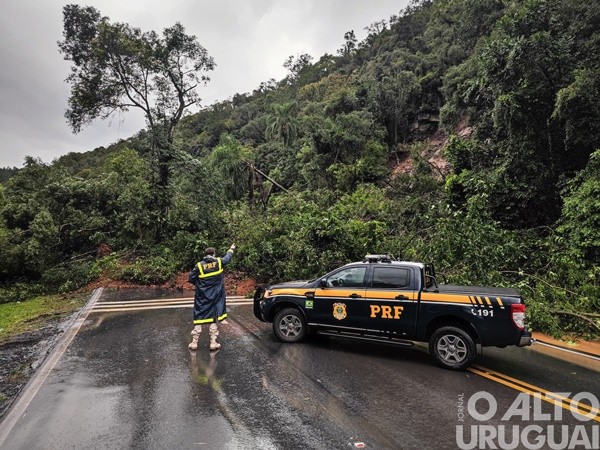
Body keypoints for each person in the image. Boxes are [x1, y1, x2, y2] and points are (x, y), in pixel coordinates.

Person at [188, 244, 235, 351]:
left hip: (202, 297)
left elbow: (191, 278)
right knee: (213, 318)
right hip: (215, 297)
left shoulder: (199, 266)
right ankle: (213, 343)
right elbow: (227, 258)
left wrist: (201, 286)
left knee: (199, 317)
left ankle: (194, 343)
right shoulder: (218, 262)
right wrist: (231, 249)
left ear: (205, 255)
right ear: (214, 254)